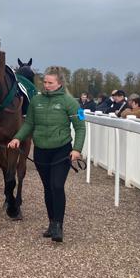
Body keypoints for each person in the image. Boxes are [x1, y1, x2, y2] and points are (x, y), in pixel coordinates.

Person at [8, 67, 85, 243]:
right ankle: (51, 222)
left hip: (61, 150)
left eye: (51, 83)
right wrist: (17, 138)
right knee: (48, 188)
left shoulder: (71, 102)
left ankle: (58, 225)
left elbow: (81, 127)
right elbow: (29, 124)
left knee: (57, 186)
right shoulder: (36, 101)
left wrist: (77, 149)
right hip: (41, 151)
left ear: (59, 83)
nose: (47, 85)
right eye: (45, 82)